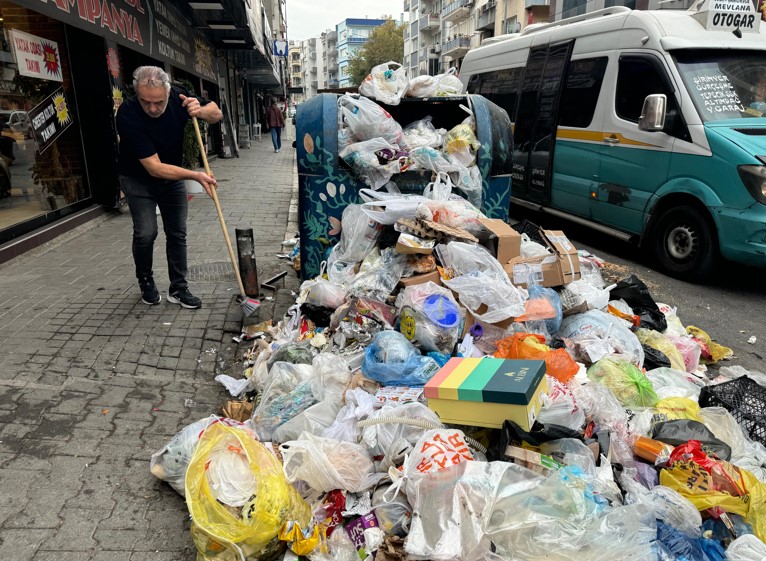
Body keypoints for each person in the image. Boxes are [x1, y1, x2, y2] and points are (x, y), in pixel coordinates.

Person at [116, 66, 222, 309]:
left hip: (171, 177)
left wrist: (201, 110)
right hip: (137, 178)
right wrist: (196, 176)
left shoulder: (180, 96)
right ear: (137, 95)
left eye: (158, 102)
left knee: (177, 232)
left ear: (168, 91)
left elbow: (216, 113)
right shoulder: (128, 114)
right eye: (146, 102)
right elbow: (154, 167)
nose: (153, 108)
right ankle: (146, 280)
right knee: (146, 232)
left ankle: (178, 287)